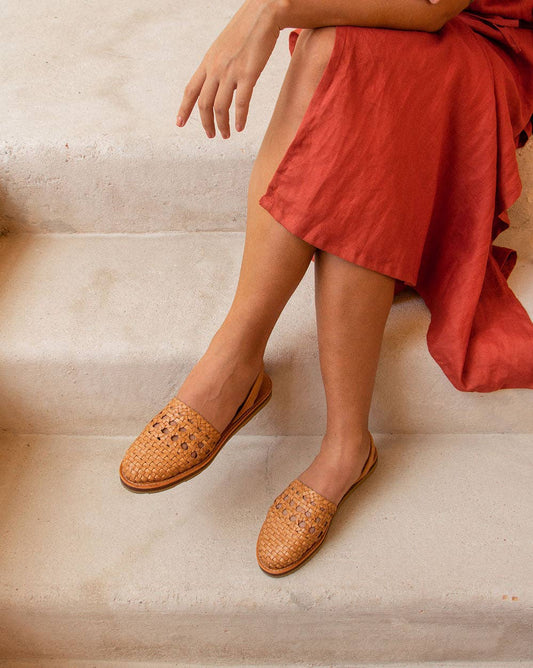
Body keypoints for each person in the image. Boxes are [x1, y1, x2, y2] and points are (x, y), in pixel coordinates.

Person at [119, 0, 533, 576]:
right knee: (331, 52)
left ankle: (339, 443)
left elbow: (433, 9)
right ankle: (240, 359)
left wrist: (269, 12)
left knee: (359, 66)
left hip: (487, 40)